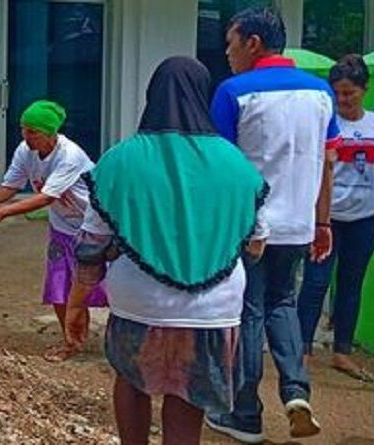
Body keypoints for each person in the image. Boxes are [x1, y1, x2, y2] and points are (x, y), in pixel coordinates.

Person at [64, 56, 267, 445]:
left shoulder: (120, 159)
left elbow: (91, 245)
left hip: (137, 303)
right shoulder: (236, 163)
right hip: (213, 307)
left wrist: (78, 302)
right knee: (188, 393)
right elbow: (256, 243)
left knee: (132, 380)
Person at [205, 7, 340, 443]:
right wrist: (323, 222)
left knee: (249, 311)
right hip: (299, 224)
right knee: (284, 303)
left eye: (230, 43)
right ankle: (296, 391)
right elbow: (328, 163)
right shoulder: (322, 93)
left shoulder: (233, 92)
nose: (227, 53)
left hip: (250, 228)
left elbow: (222, 168)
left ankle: (245, 413)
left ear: (253, 43)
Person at [0, 100, 107, 361]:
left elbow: (45, 198)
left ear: (50, 134)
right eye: (23, 130)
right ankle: (71, 342)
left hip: (95, 227)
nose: (26, 137)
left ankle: (120, 341)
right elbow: (11, 185)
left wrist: (1, 213)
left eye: (33, 132)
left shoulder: (70, 155)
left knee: (103, 286)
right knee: (60, 285)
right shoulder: (24, 151)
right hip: (63, 226)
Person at [298, 54, 374, 382]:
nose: (343, 100)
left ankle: (342, 351)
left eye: (349, 93)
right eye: (338, 93)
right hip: (326, 218)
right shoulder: (327, 124)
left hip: (365, 218)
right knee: (315, 283)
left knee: (351, 284)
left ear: (364, 90)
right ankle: (300, 350)